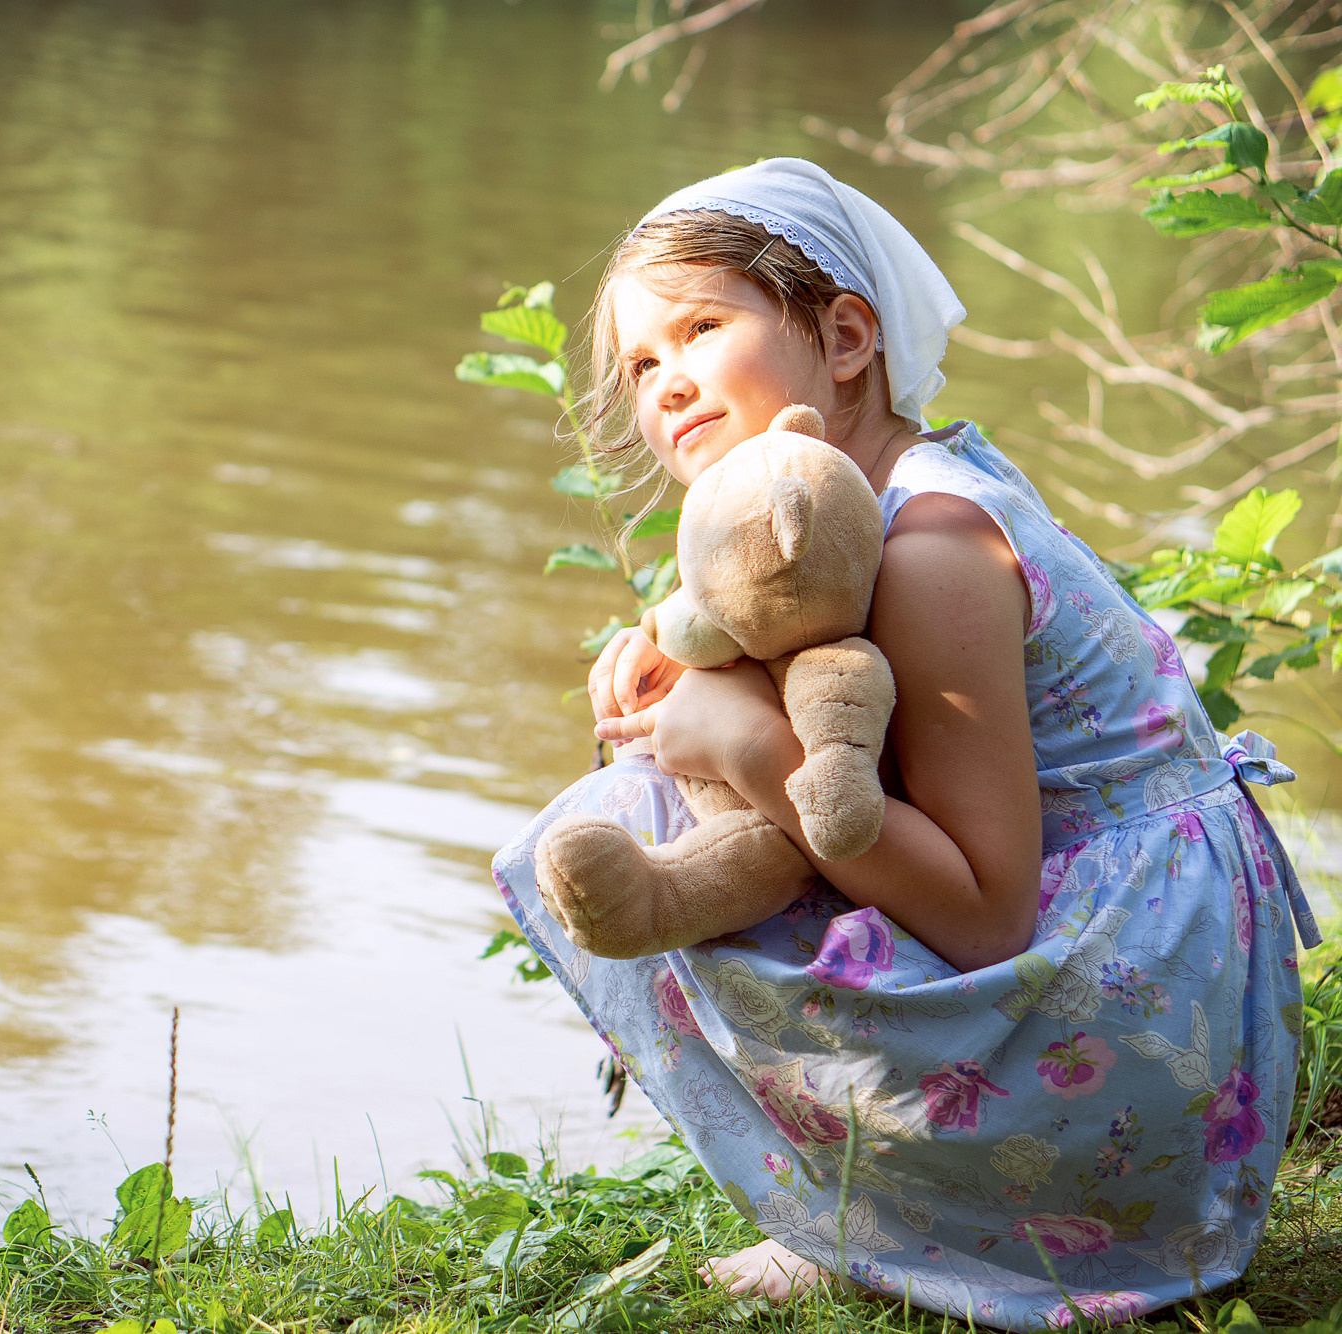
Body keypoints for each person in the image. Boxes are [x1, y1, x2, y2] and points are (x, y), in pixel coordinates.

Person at [490, 158, 1322, 1331]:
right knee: (658, 789)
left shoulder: (932, 544)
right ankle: (870, 1216)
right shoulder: (853, 506)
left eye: (700, 327)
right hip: (1123, 963)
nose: (666, 381)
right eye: (639, 362)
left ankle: (917, 1224)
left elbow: (984, 914)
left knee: (658, 822)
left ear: (842, 339)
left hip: (1132, 1011)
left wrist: (741, 743)